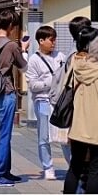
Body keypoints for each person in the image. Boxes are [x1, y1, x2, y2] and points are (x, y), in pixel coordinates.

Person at [63, 30, 98, 195]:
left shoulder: (77, 67)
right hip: (97, 129)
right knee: (95, 170)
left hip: (77, 127)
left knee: (75, 168)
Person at [0, 9, 29, 188]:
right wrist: (23, 50)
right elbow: (24, 68)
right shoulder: (10, 45)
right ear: (10, 26)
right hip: (5, 92)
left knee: (1, 135)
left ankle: (5, 172)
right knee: (5, 135)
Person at [26, 25, 68, 180]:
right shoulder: (34, 60)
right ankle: (48, 167)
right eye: (51, 40)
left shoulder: (61, 56)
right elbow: (32, 85)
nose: (54, 43)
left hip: (60, 102)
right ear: (41, 41)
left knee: (65, 136)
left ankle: (73, 166)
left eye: (54, 39)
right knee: (44, 137)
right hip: (42, 100)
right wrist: (50, 82)